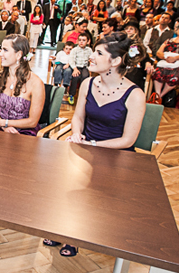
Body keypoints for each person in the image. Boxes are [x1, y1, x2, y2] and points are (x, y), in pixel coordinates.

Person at [43, 31, 146, 257]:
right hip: (87, 147)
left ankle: (77, 234)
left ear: (116, 61)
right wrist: (78, 134)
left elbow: (128, 140)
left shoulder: (135, 94)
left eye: (98, 53)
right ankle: (62, 227)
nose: (92, 56)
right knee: (58, 176)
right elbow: (78, 117)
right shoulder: (88, 83)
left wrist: (93, 145)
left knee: (85, 184)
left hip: (116, 155)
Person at [0, 34, 44, 136]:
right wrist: (3, 125)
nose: (0, 54)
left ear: (19, 55)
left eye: (5, 50)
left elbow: (33, 121)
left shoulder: (36, 83)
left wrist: (6, 123)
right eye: (1, 49)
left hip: (24, 130)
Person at [121, 23, 153, 90]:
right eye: (126, 29)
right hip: (121, 66)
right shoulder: (119, 42)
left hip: (134, 68)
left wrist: (147, 62)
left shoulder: (139, 44)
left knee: (134, 73)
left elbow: (145, 55)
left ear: (136, 31)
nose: (128, 30)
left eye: (131, 29)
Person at [67, 32, 92, 104]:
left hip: (84, 67)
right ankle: (71, 94)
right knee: (76, 77)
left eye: (84, 40)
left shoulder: (89, 50)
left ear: (88, 41)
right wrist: (75, 69)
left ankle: (82, 95)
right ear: (77, 41)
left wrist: (90, 63)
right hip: (76, 66)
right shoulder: (75, 50)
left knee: (85, 77)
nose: (81, 42)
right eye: (80, 40)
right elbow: (71, 60)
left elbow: (91, 58)